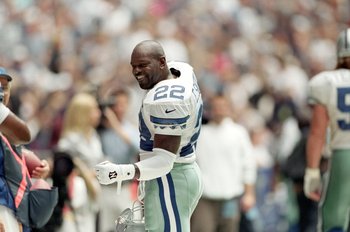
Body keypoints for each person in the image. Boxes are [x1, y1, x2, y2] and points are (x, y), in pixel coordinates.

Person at [95, 40, 203, 232]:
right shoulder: (180, 71)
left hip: (170, 178)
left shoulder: (166, 99)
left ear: (162, 62)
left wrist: (119, 172)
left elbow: (164, 161)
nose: (136, 71)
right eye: (133, 66)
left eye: (143, 65)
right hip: (179, 173)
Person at [303, 28, 350, 231]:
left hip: (343, 155)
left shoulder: (328, 82)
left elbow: (317, 132)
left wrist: (312, 171)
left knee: (334, 219)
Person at [191, 94, 257, 232]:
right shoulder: (200, 134)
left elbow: (249, 164)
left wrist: (249, 193)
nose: (219, 110)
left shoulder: (239, 133)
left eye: (222, 107)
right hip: (205, 197)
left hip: (230, 197)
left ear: (229, 109)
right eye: (215, 107)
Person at [0, 67, 50, 232]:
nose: (2, 92)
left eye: (5, 87)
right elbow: (25, 134)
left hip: (13, 209)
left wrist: (36, 169)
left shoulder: (7, 130)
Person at [98, 89, 139, 232]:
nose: (120, 108)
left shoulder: (130, 129)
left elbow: (137, 148)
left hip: (125, 187)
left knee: (128, 228)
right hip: (105, 188)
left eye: (123, 104)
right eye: (117, 104)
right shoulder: (101, 130)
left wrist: (115, 124)